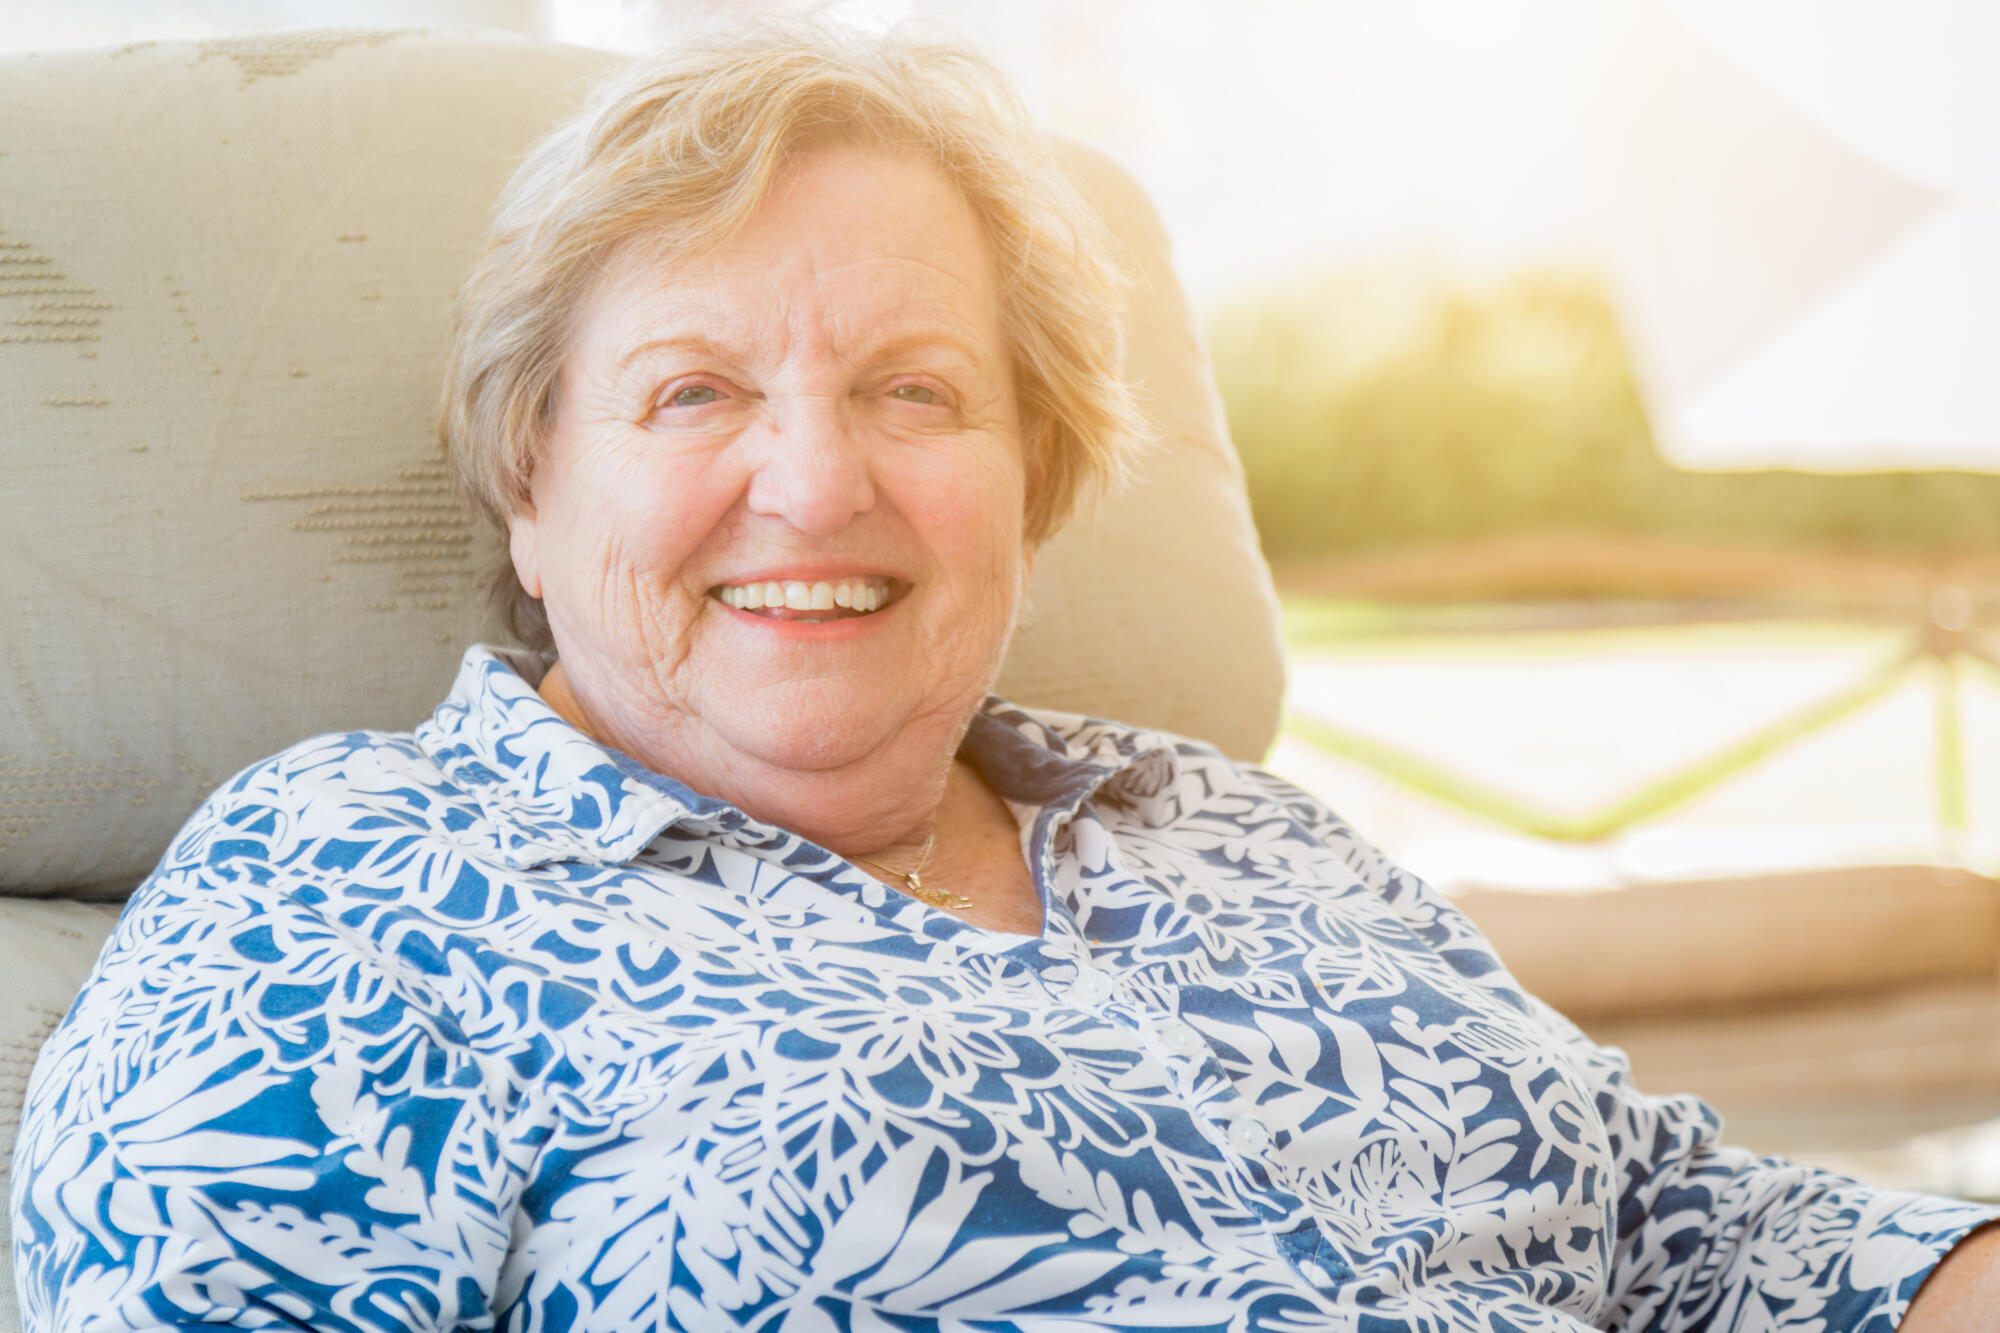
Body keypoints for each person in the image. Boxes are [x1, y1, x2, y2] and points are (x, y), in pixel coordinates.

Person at [12, 22, 1999, 1333]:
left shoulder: (1227, 825)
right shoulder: (338, 893)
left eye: (915, 390)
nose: (815, 480)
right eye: (693, 388)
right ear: (527, 485)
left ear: (1032, 486)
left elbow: (1682, 1223)